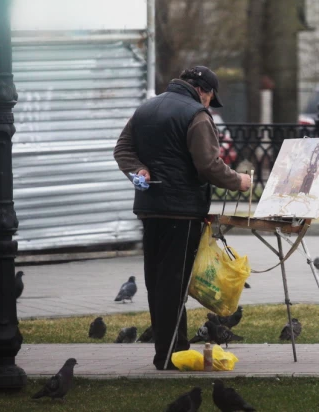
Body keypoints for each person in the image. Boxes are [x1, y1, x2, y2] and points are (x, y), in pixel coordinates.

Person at [113, 66, 251, 370]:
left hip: (150, 208)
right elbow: (208, 165)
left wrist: (138, 170)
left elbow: (122, 149)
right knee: (174, 284)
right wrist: (238, 181)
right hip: (183, 210)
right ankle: (170, 355)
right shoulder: (197, 115)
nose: (208, 104)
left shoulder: (145, 108)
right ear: (205, 91)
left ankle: (170, 351)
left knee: (158, 281)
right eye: (210, 98)